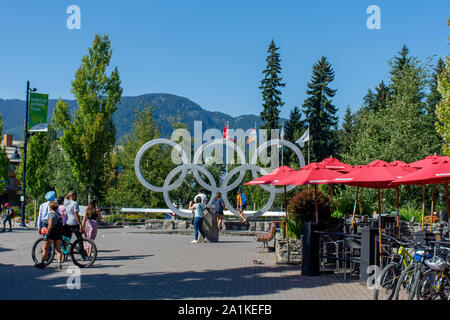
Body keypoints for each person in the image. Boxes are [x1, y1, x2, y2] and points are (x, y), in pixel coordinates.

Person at [35, 201, 64, 269]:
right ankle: (59, 264)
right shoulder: (58, 215)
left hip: (52, 233)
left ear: (50, 207)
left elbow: (50, 225)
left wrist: (47, 234)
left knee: (45, 249)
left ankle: (42, 263)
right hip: (58, 233)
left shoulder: (51, 214)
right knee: (58, 250)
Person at [63, 191, 86, 258]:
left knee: (67, 239)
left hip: (68, 223)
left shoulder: (66, 202)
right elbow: (76, 214)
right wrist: (80, 224)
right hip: (74, 223)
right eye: (76, 196)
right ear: (74, 196)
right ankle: (82, 254)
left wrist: (68, 194)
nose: (77, 197)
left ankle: (65, 254)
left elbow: (65, 198)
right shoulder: (75, 203)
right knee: (79, 239)